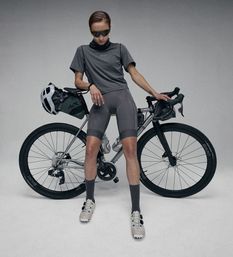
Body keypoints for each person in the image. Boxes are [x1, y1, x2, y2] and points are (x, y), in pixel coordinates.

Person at [70, 10, 170, 240]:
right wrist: (90, 86)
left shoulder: (120, 48)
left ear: (110, 28)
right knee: (90, 149)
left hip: (123, 98)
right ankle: (89, 200)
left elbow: (134, 74)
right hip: (99, 100)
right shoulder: (82, 51)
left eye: (105, 32)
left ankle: (136, 211)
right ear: (90, 32)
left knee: (130, 150)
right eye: (96, 33)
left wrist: (154, 92)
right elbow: (77, 80)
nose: (101, 37)